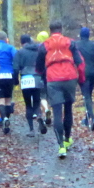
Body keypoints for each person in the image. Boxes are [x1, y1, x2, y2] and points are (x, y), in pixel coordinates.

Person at [36, 21, 85, 158]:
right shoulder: (70, 42)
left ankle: (61, 146)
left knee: (57, 112)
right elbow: (80, 63)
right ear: (61, 29)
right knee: (68, 109)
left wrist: (43, 73)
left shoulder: (44, 45)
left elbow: (38, 67)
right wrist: (81, 79)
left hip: (53, 79)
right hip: (70, 77)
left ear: (50, 30)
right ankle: (68, 138)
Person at [14, 34, 47, 137]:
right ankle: (39, 116)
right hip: (37, 77)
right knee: (36, 102)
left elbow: (15, 67)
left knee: (28, 104)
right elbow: (44, 65)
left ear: (21, 42)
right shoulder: (38, 51)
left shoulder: (20, 52)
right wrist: (44, 78)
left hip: (25, 78)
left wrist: (16, 80)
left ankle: (31, 129)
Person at [0, 31, 18, 134]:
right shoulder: (10, 48)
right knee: (8, 100)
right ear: (6, 39)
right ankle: (7, 119)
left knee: (0, 100)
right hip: (9, 74)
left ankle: (4, 118)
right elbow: (16, 59)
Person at [76, 27, 94, 131]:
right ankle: (87, 119)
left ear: (80, 35)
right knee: (88, 94)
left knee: (86, 95)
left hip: (82, 72)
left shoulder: (76, 44)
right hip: (93, 71)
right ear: (89, 35)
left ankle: (92, 118)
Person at [35, 31, 52, 126]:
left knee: (42, 96)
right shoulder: (50, 46)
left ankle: (46, 109)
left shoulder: (39, 47)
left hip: (42, 74)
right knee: (49, 95)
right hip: (52, 74)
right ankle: (48, 113)